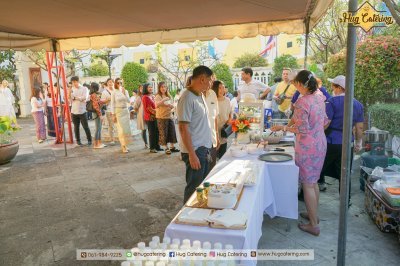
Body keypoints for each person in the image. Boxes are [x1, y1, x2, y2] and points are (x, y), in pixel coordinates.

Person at [272, 70, 328, 236]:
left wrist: (283, 127)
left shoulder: (303, 102)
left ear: (302, 84)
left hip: (307, 147)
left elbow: (301, 129)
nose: (295, 87)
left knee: (308, 184)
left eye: (296, 84)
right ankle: (314, 216)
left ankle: (313, 224)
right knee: (314, 182)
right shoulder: (319, 97)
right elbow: (324, 121)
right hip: (320, 143)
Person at [319, 75, 364, 197]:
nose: (332, 88)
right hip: (348, 142)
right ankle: (346, 200)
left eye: (333, 85)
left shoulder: (331, 101)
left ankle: (309, 194)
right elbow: (359, 127)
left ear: (338, 87)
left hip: (331, 142)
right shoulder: (358, 104)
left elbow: (326, 123)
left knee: (318, 168)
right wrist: (359, 143)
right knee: (344, 173)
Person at [177, 65, 213, 203]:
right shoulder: (187, 97)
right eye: (210, 80)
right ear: (203, 79)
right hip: (195, 150)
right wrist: (192, 154)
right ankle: (187, 216)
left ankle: (199, 210)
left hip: (203, 149)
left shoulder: (199, 95)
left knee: (202, 185)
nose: (211, 83)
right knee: (193, 188)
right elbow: (183, 128)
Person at [155, 82, 179, 154]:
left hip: (169, 116)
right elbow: (156, 105)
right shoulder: (158, 96)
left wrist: (171, 106)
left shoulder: (169, 95)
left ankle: (172, 147)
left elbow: (172, 104)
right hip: (161, 117)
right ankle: (166, 148)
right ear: (159, 88)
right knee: (163, 133)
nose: (163, 88)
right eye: (162, 87)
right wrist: (163, 100)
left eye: (164, 87)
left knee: (172, 132)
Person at [70, 76, 92, 146]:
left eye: (75, 82)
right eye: (73, 82)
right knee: (76, 127)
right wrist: (77, 98)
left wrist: (75, 98)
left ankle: (89, 140)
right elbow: (69, 98)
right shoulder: (72, 89)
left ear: (78, 81)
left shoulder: (84, 88)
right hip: (74, 111)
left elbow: (84, 98)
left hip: (82, 111)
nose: (74, 83)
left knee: (86, 127)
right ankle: (78, 141)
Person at [212, 80, 232, 159]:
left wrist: (229, 121)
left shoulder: (227, 100)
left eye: (223, 88)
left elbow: (230, 113)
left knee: (222, 156)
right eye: (219, 88)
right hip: (214, 131)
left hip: (224, 130)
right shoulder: (212, 101)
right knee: (213, 156)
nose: (222, 90)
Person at [111, 78, 131, 153]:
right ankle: (123, 146)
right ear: (115, 83)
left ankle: (125, 144)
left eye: (121, 83)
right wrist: (113, 114)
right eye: (118, 83)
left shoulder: (125, 91)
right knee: (121, 130)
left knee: (126, 129)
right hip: (118, 111)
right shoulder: (114, 92)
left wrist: (124, 93)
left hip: (125, 111)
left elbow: (128, 101)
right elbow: (112, 103)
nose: (120, 84)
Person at [204, 75, 219, 171]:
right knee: (201, 169)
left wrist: (217, 135)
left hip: (212, 136)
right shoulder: (194, 95)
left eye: (213, 80)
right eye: (210, 80)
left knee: (212, 166)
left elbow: (216, 115)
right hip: (199, 141)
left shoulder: (213, 93)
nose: (212, 82)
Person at [142, 83, 162, 153]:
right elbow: (148, 108)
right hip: (150, 117)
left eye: (151, 87)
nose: (150, 88)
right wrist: (158, 112)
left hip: (156, 116)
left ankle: (157, 146)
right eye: (149, 87)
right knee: (152, 133)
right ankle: (152, 148)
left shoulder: (152, 96)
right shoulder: (145, 97)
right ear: (145, 89)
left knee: (157, 132)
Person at [90, 82, 106, 149]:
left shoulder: (94, 94)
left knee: (99, 128)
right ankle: (96, 144)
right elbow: (96, 106)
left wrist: (105, 101)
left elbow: (98, 103)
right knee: (97, 128)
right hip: (97, 113)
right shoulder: (94, 95)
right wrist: (100, 115)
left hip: (97, 112)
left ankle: (99, 143)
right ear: (96, 87)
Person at [101, 78, 116, 145]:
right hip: (109, 110)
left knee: (119, 125)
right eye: (109, 82)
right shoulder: (104, 92)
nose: (110, 83)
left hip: (117, 109)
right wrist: (108, 99)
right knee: (111, 125)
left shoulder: (116, 90)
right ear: (107, 83)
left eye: (112, 82)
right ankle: (112, 139)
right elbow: (102, 102)